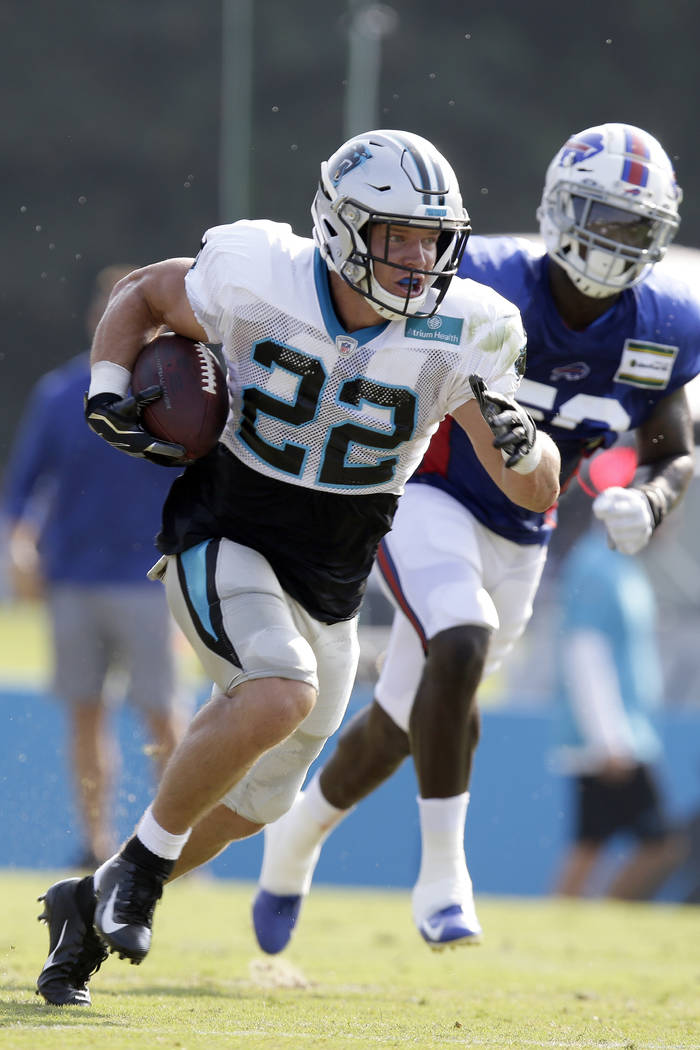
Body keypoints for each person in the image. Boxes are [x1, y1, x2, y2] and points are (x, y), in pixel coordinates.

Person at [33, 128, 560, 1006]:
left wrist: (529, 446)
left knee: (255, 803)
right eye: (396, 234)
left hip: (334, 573)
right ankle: (134, 875)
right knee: (280, 691)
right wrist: (104, 387)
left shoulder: (468, 327)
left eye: (431, 237)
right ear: (342, 225)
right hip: (225, 528)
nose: (416, 256)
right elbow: (141, 294)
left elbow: (533, 489)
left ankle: (92, 900)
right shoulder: (260, 275)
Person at [250, 122, 700, 955]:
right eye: (598, 216)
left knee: (405, 721)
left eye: (633, 225)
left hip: (524, 533)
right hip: (424, 493)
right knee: (460, 640)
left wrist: (654, 496)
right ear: (559, 209)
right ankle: (444, 880)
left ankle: (298, 837)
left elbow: (675, 445)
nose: (612, 241)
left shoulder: (668, 319)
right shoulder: (480, 276)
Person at [2, 266, 186, 870]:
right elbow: (22, 488)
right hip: (73, 581)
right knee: (86, 715)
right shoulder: (59, 394)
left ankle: (177, 846)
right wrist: (19, 545)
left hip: (151, 581)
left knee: (162, 712)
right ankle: (96, 841)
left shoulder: (178, 395)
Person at [551, 486, 681, 899]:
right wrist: (608, 738)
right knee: (655, 843)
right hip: (611, 737)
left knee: (593, 843)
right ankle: (594, 919)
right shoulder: (596, 566)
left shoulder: (619, 566)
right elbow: (584, 653)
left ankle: (574, 924)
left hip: (624, 731)